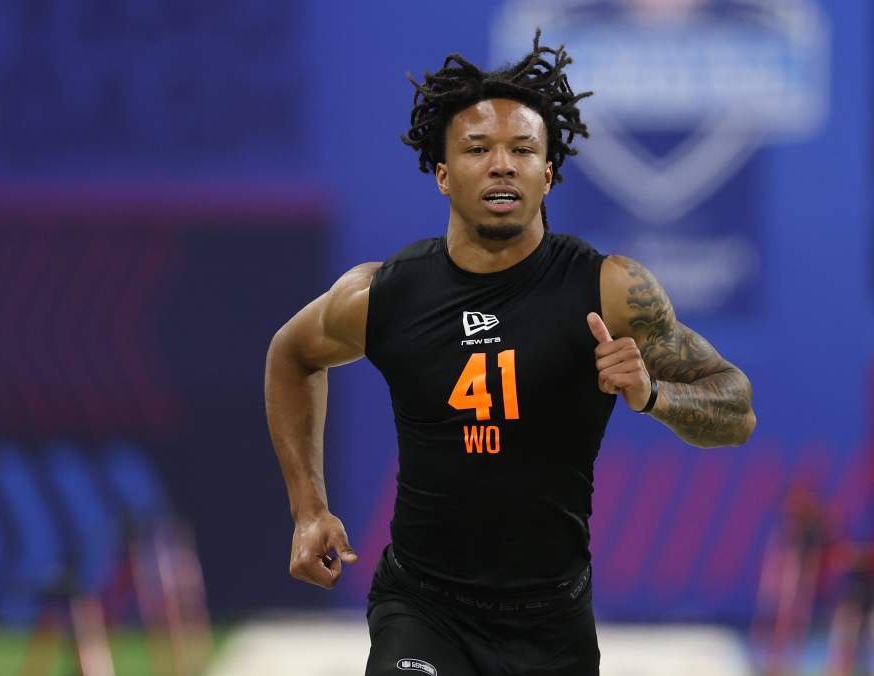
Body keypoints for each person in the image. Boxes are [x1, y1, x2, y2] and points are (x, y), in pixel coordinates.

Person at [264, 31, 757, 675]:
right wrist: (308, 510)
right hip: (423, 609)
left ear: (547, 174)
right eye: (478, 149)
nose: (502, 165)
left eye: (523, 149)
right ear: (442, 175)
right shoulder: (384, 294)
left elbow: (736, 410)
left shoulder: (610, 290)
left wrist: (653, 395)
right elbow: (291, 356)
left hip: (551, 622)